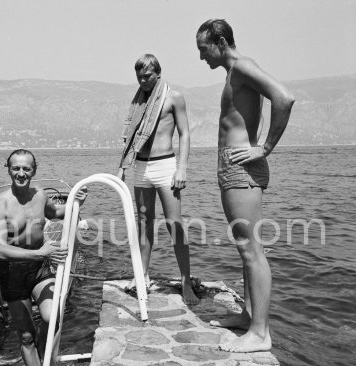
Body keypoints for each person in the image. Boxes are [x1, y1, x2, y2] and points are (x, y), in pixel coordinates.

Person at [196, 19, 295, 352]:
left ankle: (261, 333)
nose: (201, 57)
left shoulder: (242, 67)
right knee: (244, 246)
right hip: (232, 165)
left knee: (252, 249)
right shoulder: (233, 72)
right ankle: (249, 316)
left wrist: (264, 148)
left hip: (242, 168)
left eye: (203, 49)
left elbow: (284, 97)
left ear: (220, 41)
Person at [0, 149, 87, 365]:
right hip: (13, 272)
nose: (21, 173)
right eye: (16, 168)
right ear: (8, 169)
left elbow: (57, 213)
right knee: (26, 336)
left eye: (26, 168)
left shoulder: (40, 195)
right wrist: (40, 253)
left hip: (40, 268)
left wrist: (76, 200)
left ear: (34, 169)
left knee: (52, 318)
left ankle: (43, 358)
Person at [117, 54, 199, 305]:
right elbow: (131, 137)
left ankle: (186, 282)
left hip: (165, 166)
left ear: (158, 74)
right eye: (139, 76)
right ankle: (142, 276)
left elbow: (185, 134)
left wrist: (182, 169)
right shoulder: (138, 102)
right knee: (144, 224)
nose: (143, 80)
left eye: (148, 75)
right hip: (140, 167)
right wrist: (121, 166)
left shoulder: (173, 97)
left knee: (175, 223)